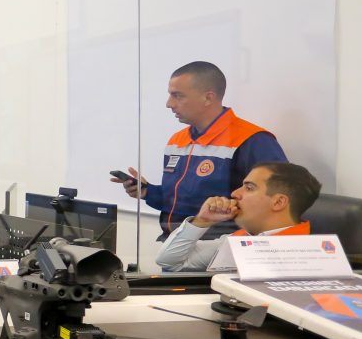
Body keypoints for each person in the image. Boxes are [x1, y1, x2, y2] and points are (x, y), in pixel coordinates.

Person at [112, 61, 287, 236]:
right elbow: (180, 203)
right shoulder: (177, 140)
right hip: (174, 243)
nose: (169, 103)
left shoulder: (252, 141)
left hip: (220, 246)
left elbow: (279, 201)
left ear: (208, 98)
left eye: (177, 96)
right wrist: (148, 192)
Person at [156, 162, 321, 272]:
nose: (235, 193)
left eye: (249, 188)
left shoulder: (305, 255)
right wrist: (202, 221)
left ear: (278, 202)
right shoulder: (240, 239)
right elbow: (169, 261)